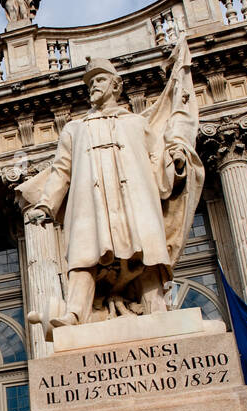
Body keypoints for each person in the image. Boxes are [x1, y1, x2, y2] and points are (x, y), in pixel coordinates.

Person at [17, 39, 203, 331]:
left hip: (133, 201)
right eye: (91, 82)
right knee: (83, 258)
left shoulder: (136, 125)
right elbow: (61, 170)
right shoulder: (74, 129)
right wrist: (46, 203)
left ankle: (157, 306)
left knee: (146, 254)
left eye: (100, 80)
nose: (93, 86)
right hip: (90, 205)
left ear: (116, 86)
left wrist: (176, 164)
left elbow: (158, 160)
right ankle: (75, 313)